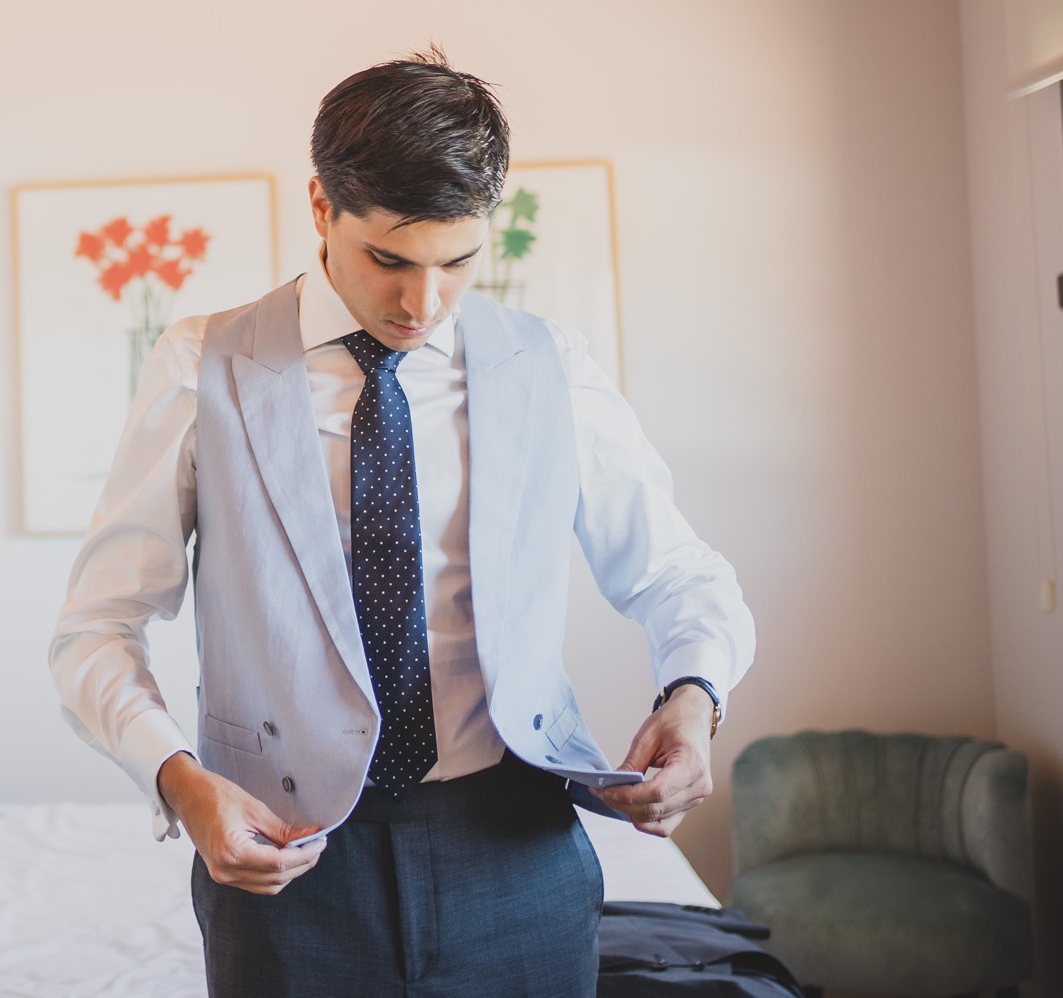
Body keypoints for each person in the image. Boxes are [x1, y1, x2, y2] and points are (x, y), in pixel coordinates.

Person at [49, 50, 757, 997]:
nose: (420, 303)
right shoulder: (198, 367)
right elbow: (93, 629)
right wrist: (179, 778)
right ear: (318, 207)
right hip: (288, 863)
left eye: (457, 262)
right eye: (388, 258)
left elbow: (681, 574)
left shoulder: (552, 366)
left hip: (518, 846)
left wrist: (694, 699)